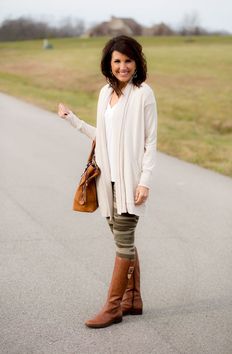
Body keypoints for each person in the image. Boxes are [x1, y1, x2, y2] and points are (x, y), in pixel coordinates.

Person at [58, 35, 157, 329]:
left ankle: (113, 307)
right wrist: (72, 119)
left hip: (130, 181)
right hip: (107, 181)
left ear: (137, 63)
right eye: (117, 61)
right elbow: (102, 135)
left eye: (128, 60)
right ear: (108, 64)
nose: (123, 66)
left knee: (123, 241)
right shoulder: (105, 94)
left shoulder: (143, 94)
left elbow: (150, 142)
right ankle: (133, 299)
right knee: (121, 239)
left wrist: (145, 181)